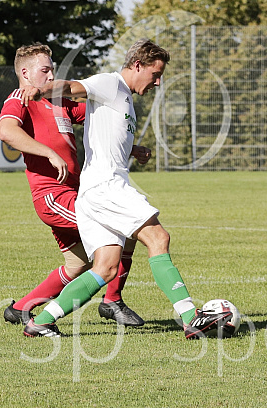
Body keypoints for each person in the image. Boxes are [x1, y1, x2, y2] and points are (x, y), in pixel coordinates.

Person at [20, 38, 231, 339]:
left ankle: (39, 322)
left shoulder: (125, 98)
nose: (158, 83)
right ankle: (189, 318)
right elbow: (72, 88)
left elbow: (107, 134)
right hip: (107, 185)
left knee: (105, 268)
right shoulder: (110, 83)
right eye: (155, 75)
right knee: (158, 237)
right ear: (137, 66)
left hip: (93, 191)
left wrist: (133, 149)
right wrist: (40, 89)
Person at [0, 43, 146, 328]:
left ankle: (20, 308)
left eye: (52, 68)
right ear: (25, 72)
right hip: (52, 195)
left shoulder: (59, 101)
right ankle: (112, 301)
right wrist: (49, 152)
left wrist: (131, 148)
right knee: (125, 224)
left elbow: (100, 119)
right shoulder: (19, 98)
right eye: (45, 70)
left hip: (74, 193)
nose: (51, 74)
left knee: (78, 263)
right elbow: (7, 132)